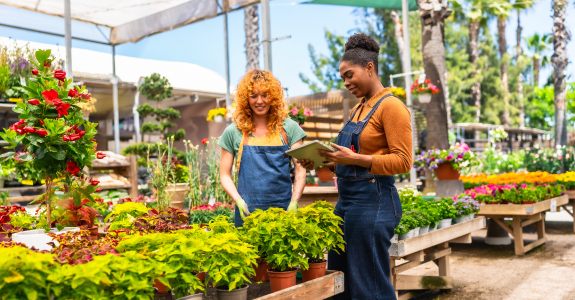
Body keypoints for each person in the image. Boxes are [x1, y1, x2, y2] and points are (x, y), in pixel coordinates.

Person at [298, 33, 412, 299]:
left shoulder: (392, 107)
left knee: (368, 285)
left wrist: (354, 159)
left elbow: (404, 161)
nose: (346, 82)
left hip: (375, 201)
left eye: (350, 75)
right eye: (343, 78)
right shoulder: (358, 109)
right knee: (340, 280)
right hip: (347, 202)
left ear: (369, 67)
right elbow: (349, 163)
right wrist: (323, 162)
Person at [219, 69, 308, 227]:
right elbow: (224, 175)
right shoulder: (233, 132)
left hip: (283, 212)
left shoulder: (290, 128)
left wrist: (294, 202)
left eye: (265, 95)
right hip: (247, 213)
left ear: (273, 96)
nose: (259, 101)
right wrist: (238, 200)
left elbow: (300, 170)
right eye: (253, 96)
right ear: (246, 99)